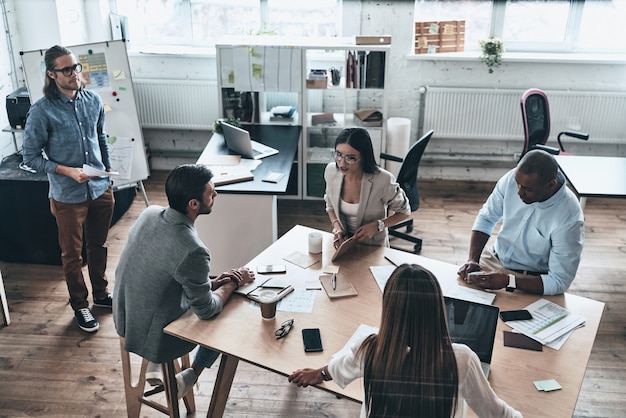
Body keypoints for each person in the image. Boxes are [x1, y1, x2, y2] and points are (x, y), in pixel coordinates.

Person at [288, 264, 521, 418]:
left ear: (390, 309)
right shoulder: (461, 359)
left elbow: (339, 368)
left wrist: (319, 374)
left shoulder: (370, 348)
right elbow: (498, 414)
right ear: (436, 309)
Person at [113, 164, 255, 397]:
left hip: (126, 318)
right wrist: (232, 284)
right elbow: (206, 310)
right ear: (193, 204)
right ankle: (193, 374)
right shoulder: (193, 249)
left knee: (210, 293)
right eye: (211, 192)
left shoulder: (150, 213)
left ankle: (161, 367)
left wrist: (213, 283)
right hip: (154, 334)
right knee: (227, 314)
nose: (215, 194)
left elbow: (166, 274)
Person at [22, 45, 115, 332]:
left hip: (100, 187)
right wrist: (66, 171)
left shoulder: (93, 100)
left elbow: (100, 138)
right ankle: (81, 306)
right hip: (67, 195)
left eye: (76, 67)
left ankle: (101, 294)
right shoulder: (41, 112)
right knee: (72, 255)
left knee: (98, 245)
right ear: (52, 74)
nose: (75, 74)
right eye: (67, 69)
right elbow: (30, 159)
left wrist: (108, 173)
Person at [457, 149, 584, 295]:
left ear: (551, 184)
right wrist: (473, 259)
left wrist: (508, 281)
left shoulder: (569, 216)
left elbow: (559, 281)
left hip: (529, 280)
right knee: (455, 301)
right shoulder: (514, 178)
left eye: (527, 189)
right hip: (492, 259)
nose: (519, 192)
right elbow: (487, 217)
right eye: (517, 184)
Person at [324, 128, 410, 248]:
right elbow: (330, 206)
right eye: (339, 154)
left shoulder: (383, 180)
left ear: (364, 157)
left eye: (350, 158)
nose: (342, 163)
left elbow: (404, 212)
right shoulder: (331, 171)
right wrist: (337, 227)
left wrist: (377, 225)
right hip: (343, 244)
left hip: (373, 245)